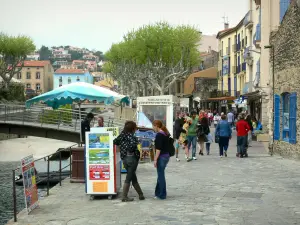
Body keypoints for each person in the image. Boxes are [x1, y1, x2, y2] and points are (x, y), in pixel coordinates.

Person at [113, 121, 145, 202]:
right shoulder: (132, 137)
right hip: (132, 159)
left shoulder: (122, 135)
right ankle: (124, 196)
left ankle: (141, 195)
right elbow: (132, 147)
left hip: (124, 159)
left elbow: (115, 141)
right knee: (129, 177)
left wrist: (123, 146)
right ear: (132, 129)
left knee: (132, 176)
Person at [152, 120, 171, 200]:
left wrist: (155, 159)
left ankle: (162, 194)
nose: (153, 128)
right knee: (160, 175)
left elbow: (158, 149)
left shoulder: (159, 135)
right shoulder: (165, 133)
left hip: (162, 157)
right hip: (166, 156)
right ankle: (158, 192)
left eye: (153, 126)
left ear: (156, 126)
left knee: (161, 176)